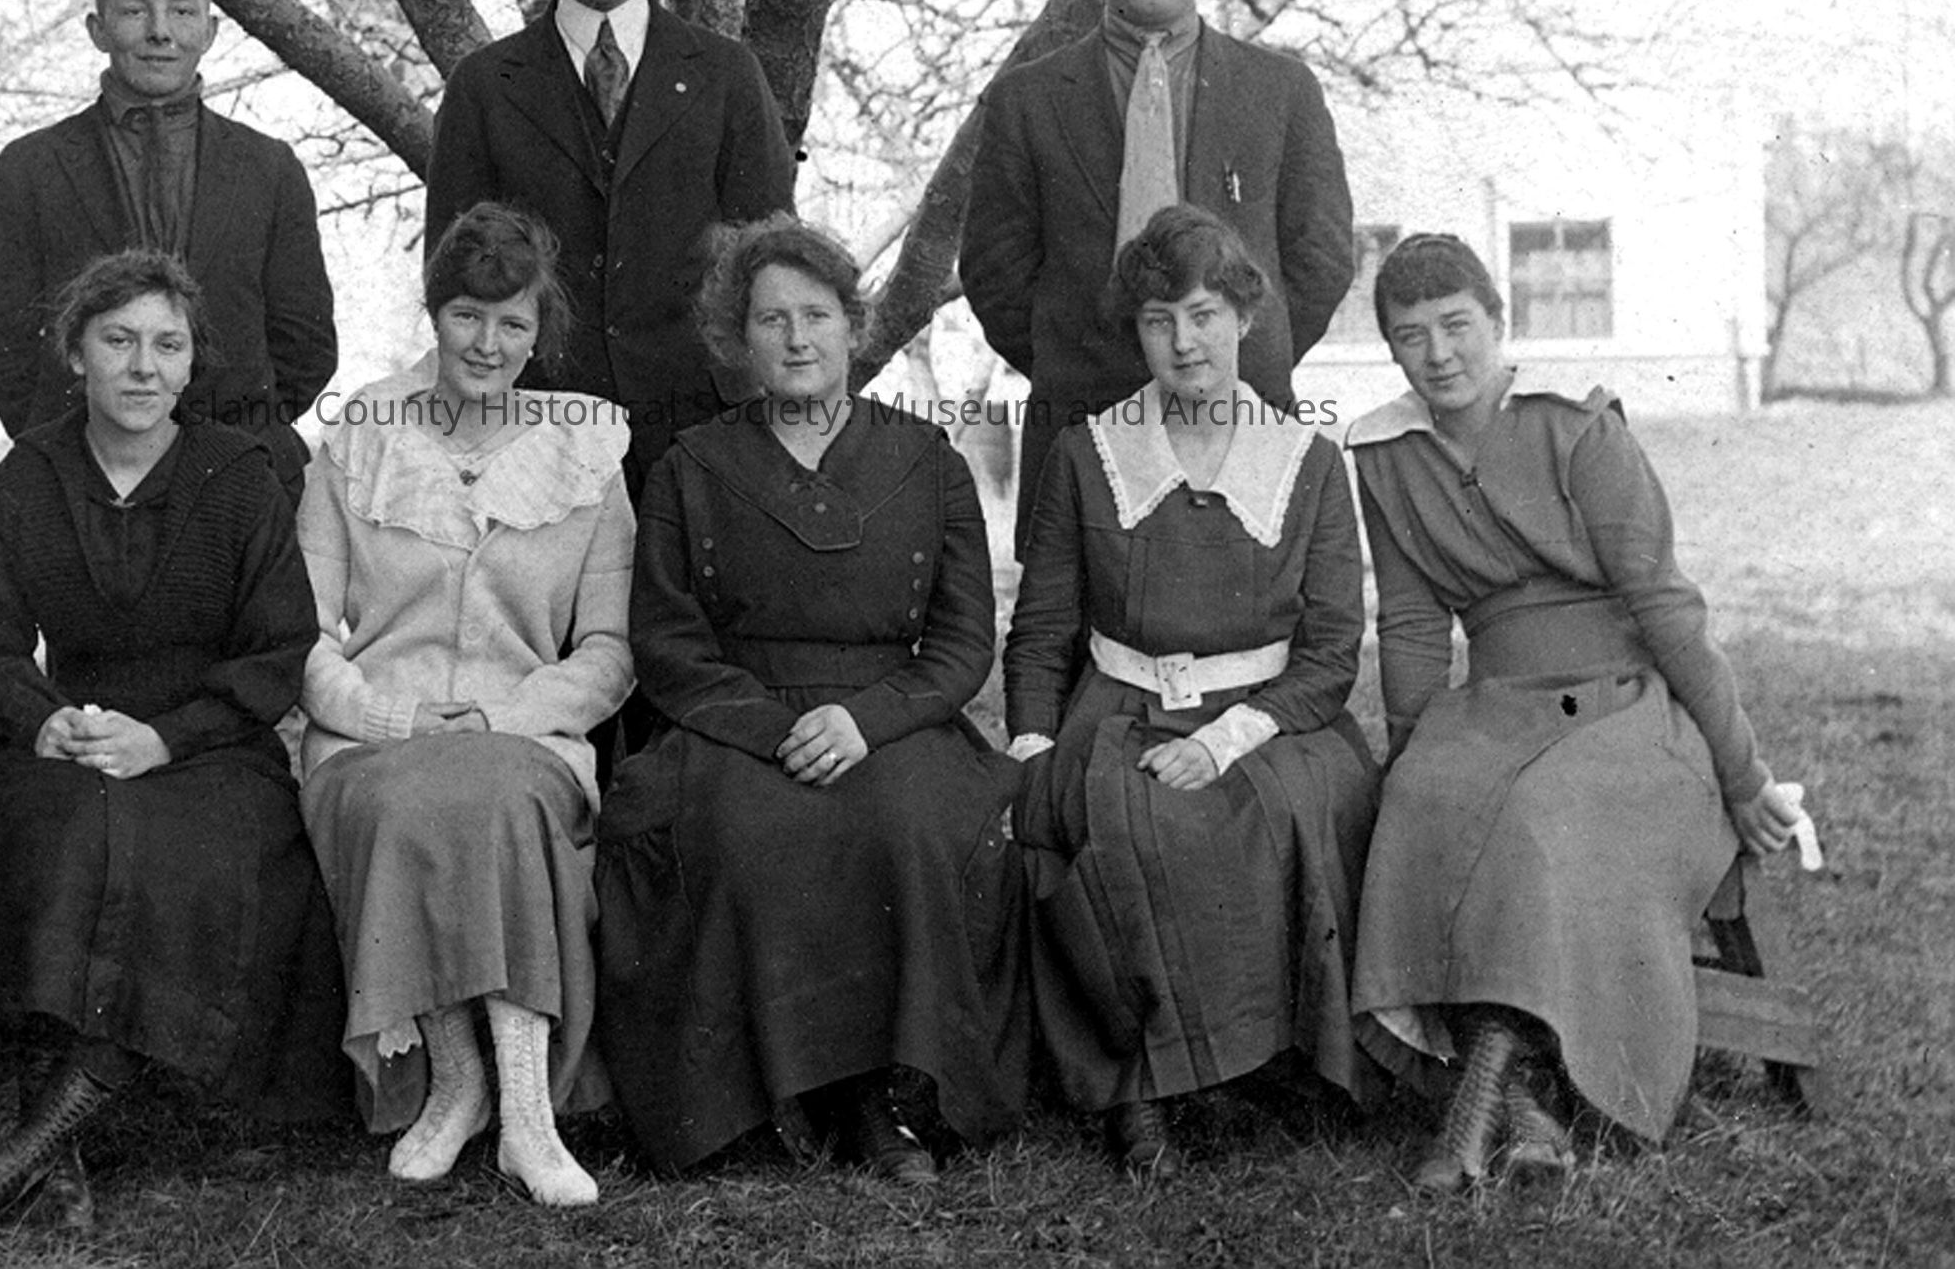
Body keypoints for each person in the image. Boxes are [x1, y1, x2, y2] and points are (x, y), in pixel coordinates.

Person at [1346, 233, 1804, 1190]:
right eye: (1411, 336)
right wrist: (1412, 752)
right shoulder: (1385, 454)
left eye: (1456, 326)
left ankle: (1480, 1099)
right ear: (1390, 349)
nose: (1439, 354)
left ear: (1499, 321)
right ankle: (1526, 1105)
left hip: (1628, 707)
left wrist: (1743, 770)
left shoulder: (1577, 428)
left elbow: (1665, 605)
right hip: (1497, 703)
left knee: (1543, 810)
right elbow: (1416, 623)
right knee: (1422, 796)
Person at [595, 215, 1027, 1183]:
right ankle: (755, 1098)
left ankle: (878, 1100)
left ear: (852, 326)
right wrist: (774, 727)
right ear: (737, 340)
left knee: (906, 824)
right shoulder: (690, 467)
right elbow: (667, 643)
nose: (796, 339)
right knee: (743, 831)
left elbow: (964, 640)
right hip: (740, 719)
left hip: (890, 713)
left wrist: (865, 721)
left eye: (817, 315)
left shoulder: (929, 460)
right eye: (771, 319)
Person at [0, 251, 346, 1243]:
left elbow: (277, 649)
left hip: (209, 743)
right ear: (77, 354)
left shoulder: (237, 478)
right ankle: (57, 1141)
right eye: (118, 341)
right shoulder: (26, 480)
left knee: (189, 846)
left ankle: (35, 1142)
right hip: (73, 736)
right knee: (59, 837)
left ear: (194, 360)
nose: (144, 366)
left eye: (168, 344)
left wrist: (166, 737)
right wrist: (45, 719)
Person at [1000, 204, 1379, 1174]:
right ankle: (1143, 1083)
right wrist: (1032, 750)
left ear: (1244, 317)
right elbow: (1040, 632)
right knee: (1127, 819)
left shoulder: (1306, 461)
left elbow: (1332, 650)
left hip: (1272, 714)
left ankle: (1274, 1058)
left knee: (1292, 806)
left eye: (1205, 314)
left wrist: (1224, 739)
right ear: (1136, 331)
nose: (1184, 342)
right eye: (1159, 319)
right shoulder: (1089, 454)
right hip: (1121, 704)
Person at [298, 203, 633, 1207]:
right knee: (412, 798)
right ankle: (456, 1084)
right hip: (371, 736)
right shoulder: (360, 438)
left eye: (512, 322)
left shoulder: (586, 448)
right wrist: (391, 719)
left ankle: (529, 1117)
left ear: (539, 332)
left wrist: (507, 718)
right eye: (467, 316)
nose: (488, 343)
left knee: (495, 795)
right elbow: (302, 636)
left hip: (524, 732)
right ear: (433, 313)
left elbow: (609, 649)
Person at [961, 0, 1354, 553]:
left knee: (1252, 609)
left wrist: (1232, 353)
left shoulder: (1280, 91)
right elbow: (994, 276)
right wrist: (1085, 357)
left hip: (1243, 425)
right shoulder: (1027, 100)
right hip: (1083, 425)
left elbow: (1321, 259)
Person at [425, 0, 797, 496]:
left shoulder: (725, 75)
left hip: (701, 431)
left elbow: (770, 263)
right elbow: (453, 275)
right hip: (535, 430)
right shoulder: (486, 85)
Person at [0, 0, 336, 501]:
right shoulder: (31, 168)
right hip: (82, 489)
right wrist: (77, 449)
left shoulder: (269, 169)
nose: (160, 31)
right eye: (135, 11)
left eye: (182, 11)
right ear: (98, 29)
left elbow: (306, 348)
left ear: (210, 31)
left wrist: (232, 446)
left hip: (240, 485)